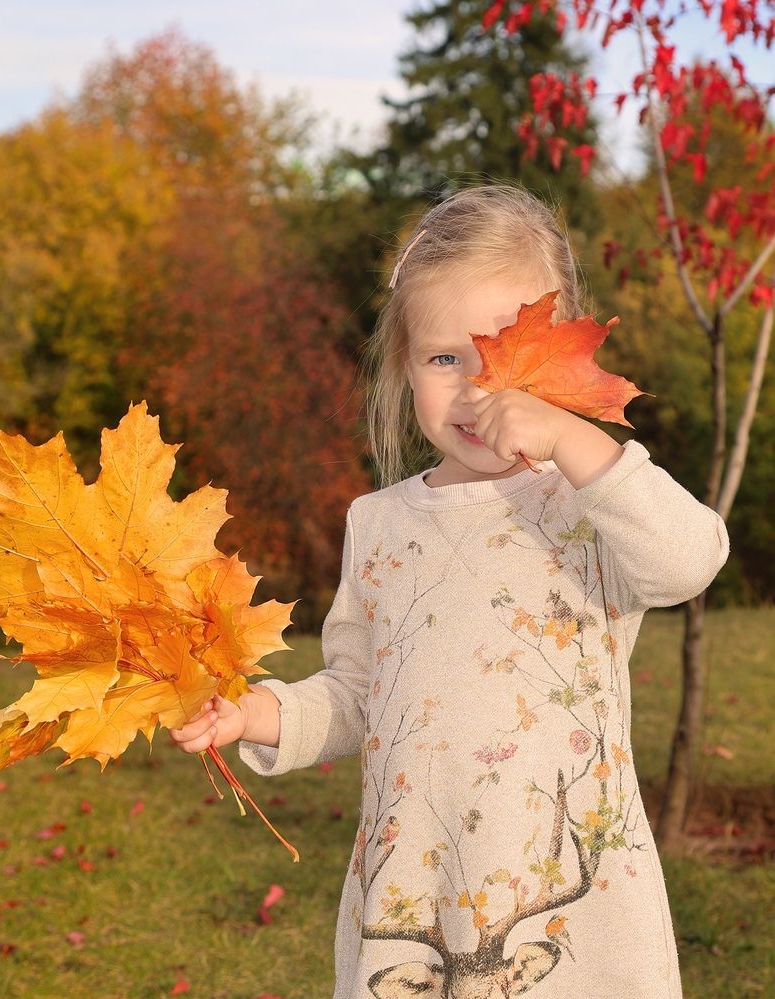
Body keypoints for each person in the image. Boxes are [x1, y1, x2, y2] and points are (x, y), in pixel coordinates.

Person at [170, 184, 728, 998]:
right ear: (405, 363)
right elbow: (361, 692)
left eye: (504, 357)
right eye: (444, 359)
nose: (475, 388)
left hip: (567, 903)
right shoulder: (380, 525)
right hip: (419, 886)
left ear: (563, 355)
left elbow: (689, 559)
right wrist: (256, 713)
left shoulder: (589, 502)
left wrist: (575, 440)